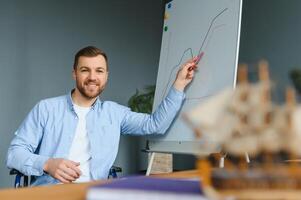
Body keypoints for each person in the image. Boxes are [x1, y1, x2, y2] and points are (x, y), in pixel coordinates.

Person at [6, 46, 198, 186]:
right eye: (85, 70)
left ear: (106, 75)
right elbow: (14, 154)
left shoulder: (115, 113)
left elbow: (155, 125)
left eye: (99, 71)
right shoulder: (46, 109)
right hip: (49, 194)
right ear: (74, 73)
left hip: (94, 193)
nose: (92, 77)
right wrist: (48, 163)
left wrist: (179, 84)